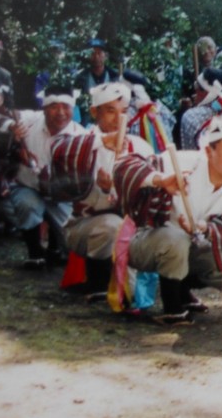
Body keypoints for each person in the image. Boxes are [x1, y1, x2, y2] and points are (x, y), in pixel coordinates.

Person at [113, 114, 222, 325]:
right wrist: (161, 180)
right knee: (177, 239)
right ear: (209, 151)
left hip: (189, 245)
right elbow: (122, 166)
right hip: (145, 242)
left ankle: (182, 289)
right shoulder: (181, 162)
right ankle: (172, 306)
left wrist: (204, 227)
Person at [52, 82, 154, 301]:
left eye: (124, 112)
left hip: (132, 226)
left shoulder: (140, 147)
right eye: (110, 111)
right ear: (94, 112)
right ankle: (98, 279)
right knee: (112, 225)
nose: (118, 119)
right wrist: (100, 142)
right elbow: (58, 153)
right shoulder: (81, 142)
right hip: (84, 227)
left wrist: (116, 189)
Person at [0, 85, 85, 268]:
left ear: (73, 109)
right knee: (27, 205)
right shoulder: (30, 121)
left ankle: (55, 247)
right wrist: (12, 128)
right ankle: (35, 253)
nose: (60, 112)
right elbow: (3, 116)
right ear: (44, 109)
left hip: (62, 196)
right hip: (29, 187)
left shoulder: (81, 136)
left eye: (65, 107)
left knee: (72, 244)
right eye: (54, 107)